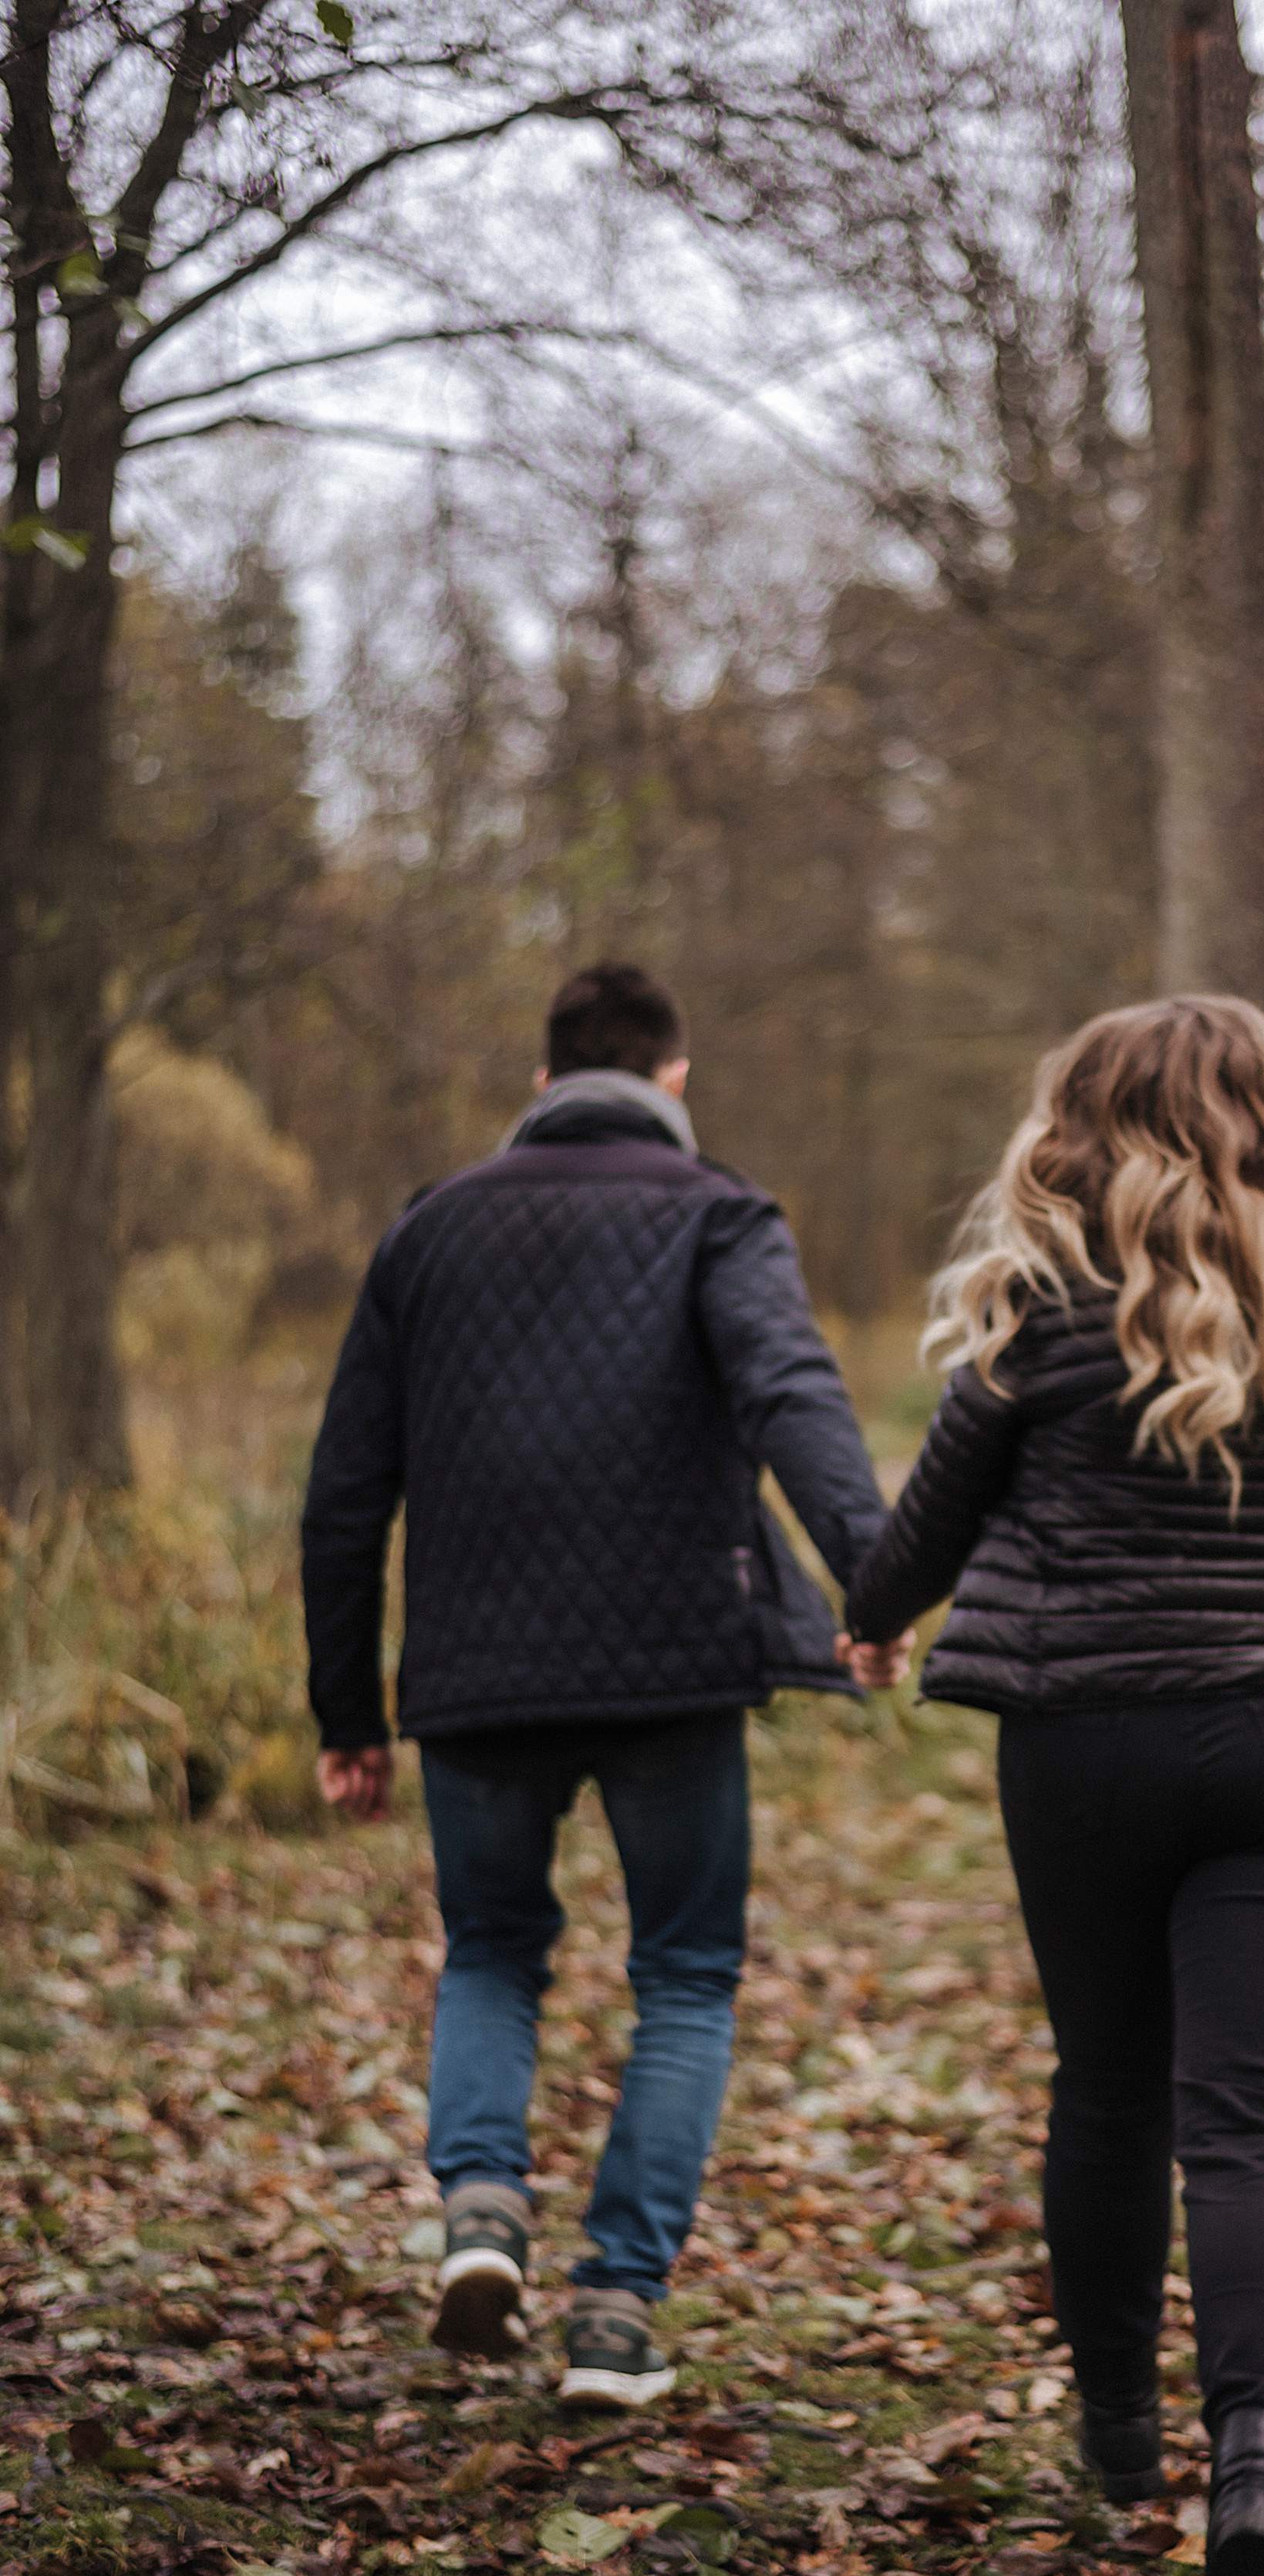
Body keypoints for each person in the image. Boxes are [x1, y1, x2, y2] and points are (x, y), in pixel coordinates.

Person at [840, 995, 1264, 2576]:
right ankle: (1255, 2477)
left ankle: (1119, 2431)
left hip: (1086, 1736)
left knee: (1106, 2078)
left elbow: (924, 1533)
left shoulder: (1042, 1313)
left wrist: (870, 1625)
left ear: (1083, 1131)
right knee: (1250, 2120)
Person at [302, 963, 901, 2409]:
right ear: (675, 1081)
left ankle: (484, 2212)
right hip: (672, 1664)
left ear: (543, 1082)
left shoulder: (428, 1231)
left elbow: (343, 1492)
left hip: (477, 1672)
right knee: (685, 1974)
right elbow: (791, 1394)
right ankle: (619, 2315)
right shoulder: (719, 1214)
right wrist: (875, 1581)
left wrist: (347, 1715)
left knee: (494, 1947)